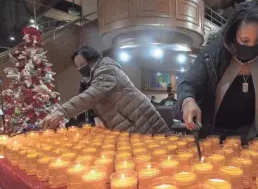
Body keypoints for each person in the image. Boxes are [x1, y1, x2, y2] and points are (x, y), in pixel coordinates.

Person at [177, 0, 258, 148]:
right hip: (211, 138)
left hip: (254, 140)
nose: (251, 48)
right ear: (234, 32)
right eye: (245, 40)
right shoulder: (213, 53)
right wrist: (188, 101)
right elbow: (189, 83)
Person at [40, 45, 169, 134]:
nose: (81, 69)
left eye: (83, 64)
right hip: (130, 123)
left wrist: (61, 111)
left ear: (93, 59)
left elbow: (91, 96)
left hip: (140, 122)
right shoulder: (91, 78)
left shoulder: (107, 70)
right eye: (78, 67)